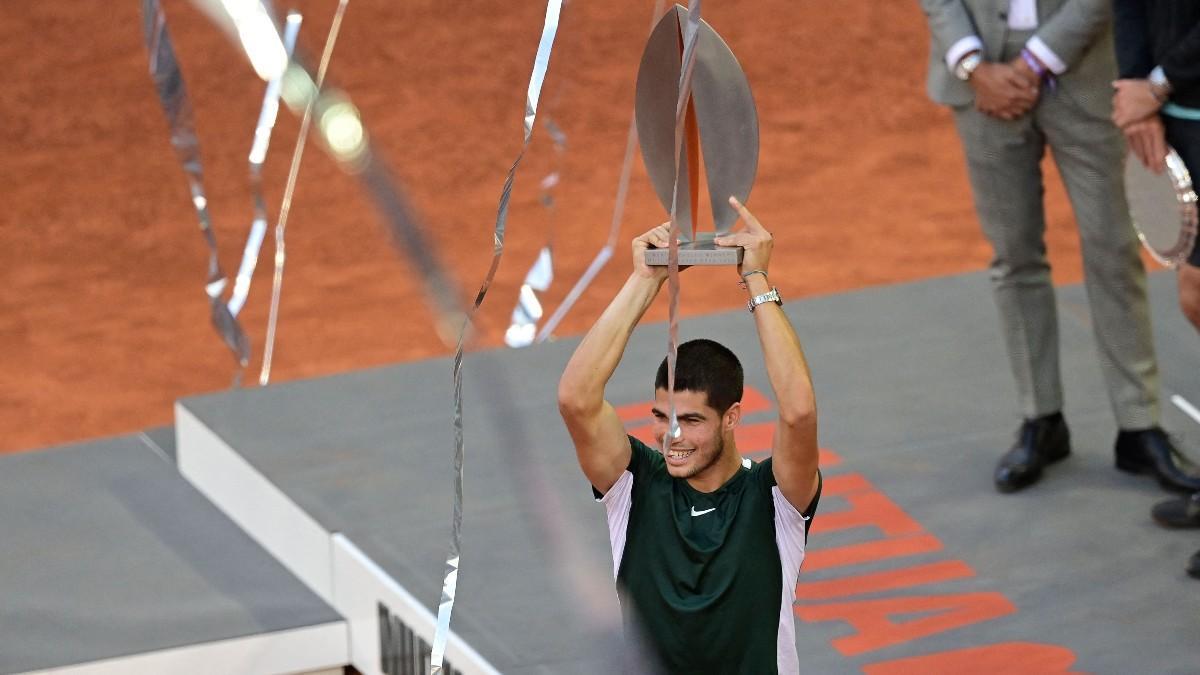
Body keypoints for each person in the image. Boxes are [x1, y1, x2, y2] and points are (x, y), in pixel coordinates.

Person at [918, 0, 1200, 494]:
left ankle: (1138, 425)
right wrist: (973, 65)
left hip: (1083, 75)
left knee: (1113, 250)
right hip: (978, 84)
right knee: (1013, 256)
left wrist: (1034, 62)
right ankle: (1040, 418)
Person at [557, 197, 821, 673]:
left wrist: (756, 279)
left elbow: (799, 413)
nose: (671, 436)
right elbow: (577, 398)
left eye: (692, 421)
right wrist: (645, 278)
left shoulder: (775, 499)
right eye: (662, 416)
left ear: (732, 417)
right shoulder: (634, 486)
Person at [1111, 0, 1200, 579]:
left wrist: (1158, 84)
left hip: (1178, 93)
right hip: (1179, 113)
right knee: (1194, 297)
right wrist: (1137, 90)